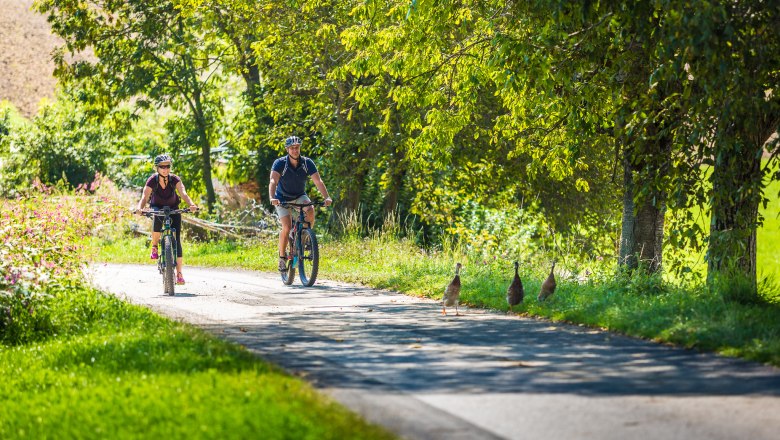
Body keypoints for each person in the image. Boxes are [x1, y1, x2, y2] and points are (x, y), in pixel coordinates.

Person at [269, 135, 332, 271]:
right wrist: (272, 197)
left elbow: (318, 181)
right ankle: (281, 257)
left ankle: (305, 238)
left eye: (297, 147)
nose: (295, 150)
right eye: (292, 148)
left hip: (299, 196)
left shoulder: (307, 163)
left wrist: (326, 197)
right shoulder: (280, 163)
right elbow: (273, 181)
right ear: (287, 149)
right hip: (282, 198)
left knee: (310, 209)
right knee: (287, 226)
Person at [135, 154, 199, 285]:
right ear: (157, 168)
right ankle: (154, 246)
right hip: (157, 207)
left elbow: (183, 193)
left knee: (177, 239)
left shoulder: (174, 179)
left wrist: (191, 205)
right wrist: (139, 208)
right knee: (157, 219)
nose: (165, 169)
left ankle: (179, 274)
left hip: (173, 208)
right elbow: (144, 197)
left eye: (167, 166)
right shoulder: (152, 180)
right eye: (162, 167)